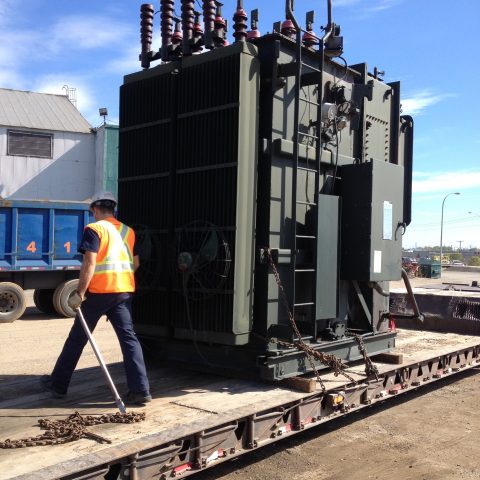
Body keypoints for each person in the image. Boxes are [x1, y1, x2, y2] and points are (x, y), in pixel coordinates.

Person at [41, 191, 151, 405]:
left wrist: (80, 293)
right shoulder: (128, 231)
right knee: (129, 340)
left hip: (99, 293)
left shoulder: (94, 229)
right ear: (113, 209)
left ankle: (58, 385)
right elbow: (135, 263)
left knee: (77, 339)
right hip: (123, 292)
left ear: (94, 209)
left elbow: (89, 263)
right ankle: (141, 390)